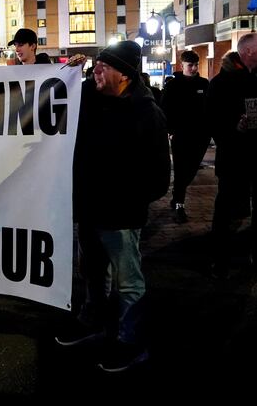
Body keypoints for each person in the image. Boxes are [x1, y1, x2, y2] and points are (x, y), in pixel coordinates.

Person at [56, 40, 171, 373]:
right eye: (97, 66)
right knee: (92, 273)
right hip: (89, 211)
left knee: (127, 281)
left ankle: (131, 341)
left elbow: (158, 178)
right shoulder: (90, 98)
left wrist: (122, 198)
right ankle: (93, 321)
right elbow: (52, 93)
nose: (97, 71)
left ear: (125, 75)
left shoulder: (148, 114)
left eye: (105, 67)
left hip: (120, 216)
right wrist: (68, 72)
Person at [206, 33, 257, 277]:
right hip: (234, 158)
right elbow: (212, 122)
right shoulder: (221, 83)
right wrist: (234, 128)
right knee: (226, 209)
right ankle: (220, 260)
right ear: (248, 52)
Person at [160, 51, 211, 223]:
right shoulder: (173, 85)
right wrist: (171, 130)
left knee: (191, 168)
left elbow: (210, 106)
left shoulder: (204, 83)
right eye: (190, 65)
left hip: (201, 134)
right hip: (181, 134)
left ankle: (177, 195)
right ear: (182, 66)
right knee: (182, 169)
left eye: (196, 64)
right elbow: (165, 107)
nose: (194, 68)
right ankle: (179, 202)